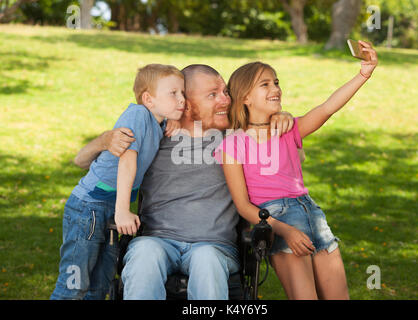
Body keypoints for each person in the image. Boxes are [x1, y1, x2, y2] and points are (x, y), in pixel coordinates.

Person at [73, 64, 296, 300]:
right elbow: (81, 160)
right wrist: (106, 139)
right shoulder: (156, 135)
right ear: (185, 104)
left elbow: (290, 156)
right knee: (144, 255)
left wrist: (279, 118)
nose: (226, 100)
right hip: (157, 240)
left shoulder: (236, 140)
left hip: (214, 245)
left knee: (206, 260)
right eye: (213, 95)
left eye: (226, 92)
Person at [214, 41, 378, 300]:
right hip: (277, 222)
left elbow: (327, 108)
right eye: (265, 84)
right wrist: (285, 230)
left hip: (312, 213)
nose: (275, 88)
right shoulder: (233, 143)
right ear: (245, 97)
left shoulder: (287, 129)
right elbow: (243, 205)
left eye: (276, 82)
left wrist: (363, 74)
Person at [50, 64, 185, 300]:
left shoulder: (157, 121)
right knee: (74, 285)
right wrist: (123, 210)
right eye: (173, 93)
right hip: (89, 206)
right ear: (148, 99)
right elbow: (127, 162)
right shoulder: (137, 115)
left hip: (109, 209)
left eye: (182, 93)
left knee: (100, 286)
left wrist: (173, 120)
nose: (182, 99)